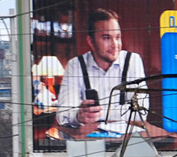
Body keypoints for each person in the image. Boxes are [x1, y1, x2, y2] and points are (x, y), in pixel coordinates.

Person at [54, 8, 149, 139]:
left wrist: (99, 114)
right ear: (91, 42)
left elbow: (141, 112)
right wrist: (78, 115)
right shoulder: (75, 65)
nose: (115, 45)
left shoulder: (132, 61)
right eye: (106, 38)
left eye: (118, 37)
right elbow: (62, 114)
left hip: (127, 144)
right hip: (88, 146)